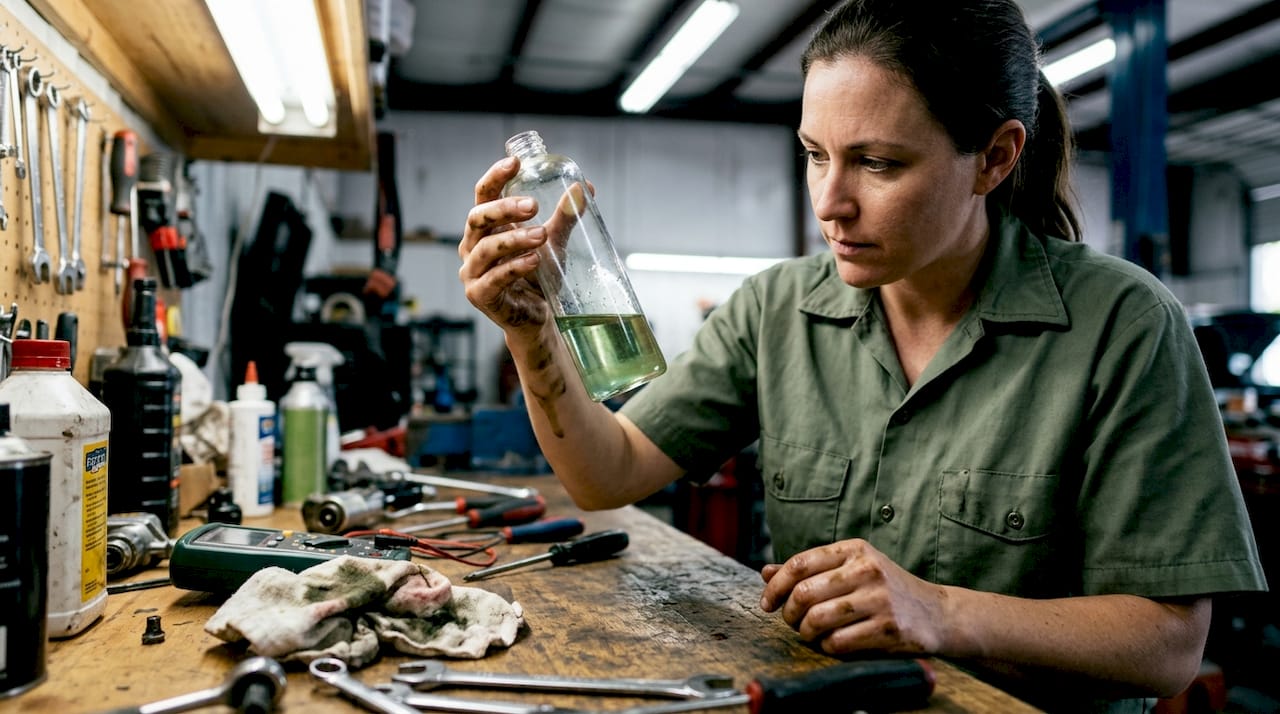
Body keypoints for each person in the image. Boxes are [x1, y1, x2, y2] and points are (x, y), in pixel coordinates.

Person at [457, 0, 1266, 711]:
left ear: (995, 156)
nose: (830, 203)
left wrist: (941, 612)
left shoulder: (1121, 326)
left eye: (878, 163)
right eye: (815, 154)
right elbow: (609, 472)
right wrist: (532, 334)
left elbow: (1166, 647)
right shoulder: (777, 311)